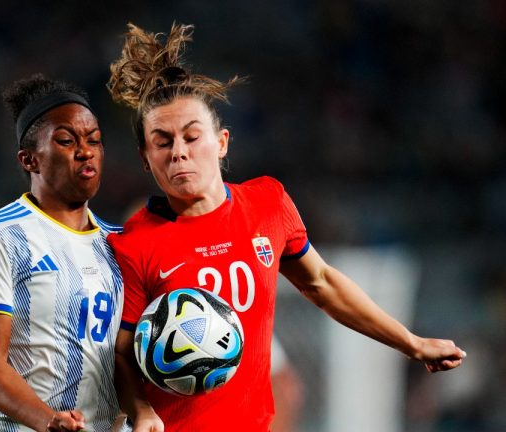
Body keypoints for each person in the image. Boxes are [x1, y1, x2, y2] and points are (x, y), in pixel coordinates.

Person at [105, 23, 466, 432]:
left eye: (191, 137)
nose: (179, 153)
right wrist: (142, 412)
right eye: (162, 142)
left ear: (221, 142)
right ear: (145, 158)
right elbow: (121, 353)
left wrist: (412, 343)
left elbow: (322, 283)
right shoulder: (134, 242)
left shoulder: (268, 203)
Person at [0, 74, 124, 432]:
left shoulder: (120, 244)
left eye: (94, 140)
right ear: (29, 159)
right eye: (66, 140)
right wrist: (48, 420)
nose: (85, 150)